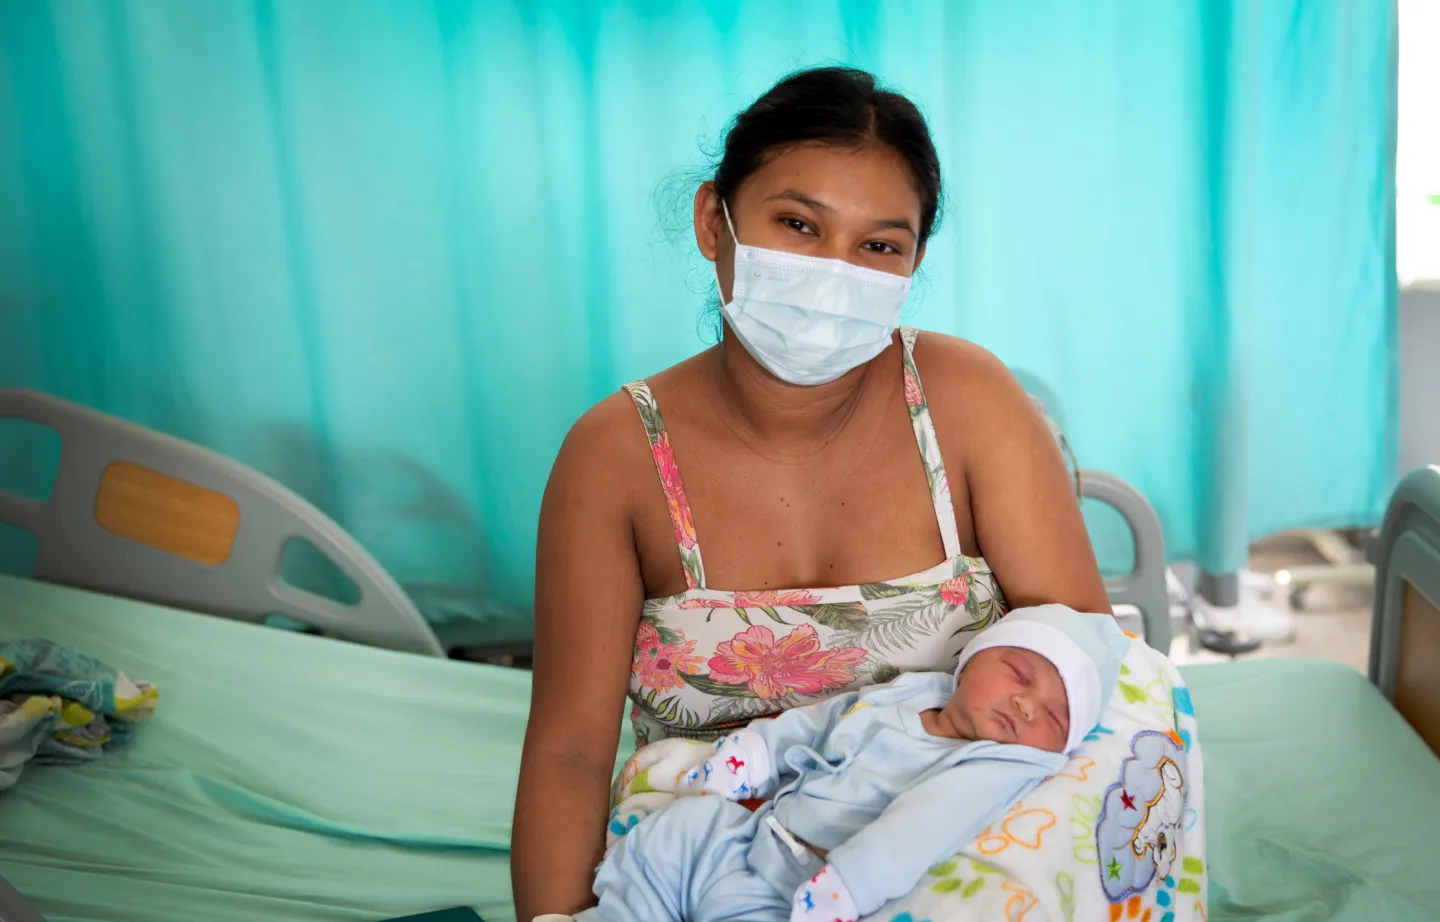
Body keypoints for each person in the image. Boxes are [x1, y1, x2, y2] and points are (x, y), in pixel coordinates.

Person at [512, 65, 1111, 922]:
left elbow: (1086, 674)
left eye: (878, 246)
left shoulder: (968, 404)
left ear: (912, 264)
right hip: (694, 878)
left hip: (957, 873)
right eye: (797, 224)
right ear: (713, 221)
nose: (834, 274)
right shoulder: (612, 459)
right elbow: (570, 753)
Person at [536, 606, 1128, 922]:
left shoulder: (995, 764)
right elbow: (819, 722)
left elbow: (922, 826)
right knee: (671, 836)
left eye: (1055, 718)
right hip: (752, 834)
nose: (1027, 706)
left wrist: (849, 886)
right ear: (971, 661)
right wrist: (755, 754)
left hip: (801, 888)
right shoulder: (911, 694)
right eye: (1020, 674)